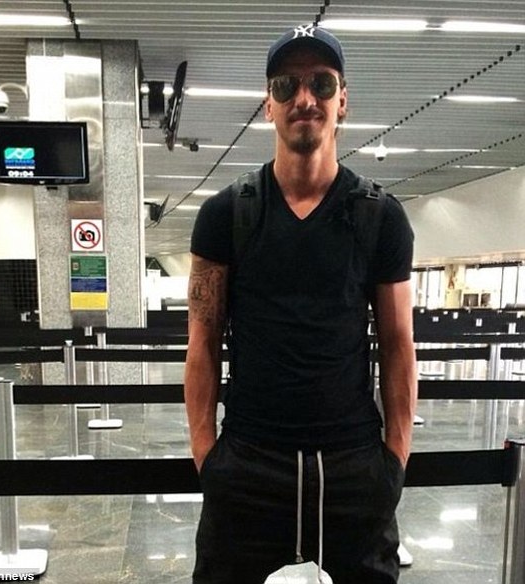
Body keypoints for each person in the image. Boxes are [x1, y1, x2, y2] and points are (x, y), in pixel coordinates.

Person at [184, 22, 417, 584]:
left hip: (353, 466)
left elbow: (398, 345)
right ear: (269, 104)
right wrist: (208, 459)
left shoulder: (380, 217)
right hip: (248, 464)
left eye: (321, 82)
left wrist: (394, 462)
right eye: (287, 85)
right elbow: (202, 343)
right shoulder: (226, 214)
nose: (304, 98)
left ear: (343, 100)